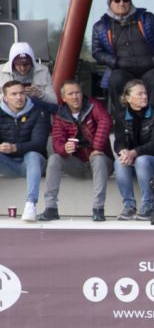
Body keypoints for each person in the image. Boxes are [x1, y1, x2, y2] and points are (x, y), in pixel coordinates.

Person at [92, 0, 154, 110]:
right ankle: (123, 119)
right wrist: (115, 62)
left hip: (150, 68)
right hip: (122, 69)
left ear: (130, 2)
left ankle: (152, 118)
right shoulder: (101, 26)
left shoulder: (147, 18)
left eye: (125, 0)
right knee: (115, 80)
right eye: (117, 0)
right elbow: (97, 52)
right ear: (109, 4)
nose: (122, 3)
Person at [44, 79, 111, 222]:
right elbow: (57, 142)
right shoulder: (60, 114)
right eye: (71, 94)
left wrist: (97, 148)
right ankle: (51, 208)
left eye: (78, 92)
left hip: (102, 163)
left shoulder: (92, 105)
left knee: (98, 158)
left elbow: (105, 120)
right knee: (54, 158)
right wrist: (64, 148)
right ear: (63, 98)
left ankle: (98, 209)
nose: (75, 97)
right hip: (78, 165)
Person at [110, 79, 154, 221]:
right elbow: (119, 141)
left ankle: (148, 205)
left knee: (142, 160)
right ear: (128, 98)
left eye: (145, 93)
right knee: (119, 162)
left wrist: (134, 152)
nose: (144, 96)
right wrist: (123, 151)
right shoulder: (121, 116)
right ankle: (129, 206)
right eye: (139, 94)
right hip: (134, 159)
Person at [0, 78, 49, 222]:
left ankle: (31, 204)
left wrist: (14, 148)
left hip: (34, 164)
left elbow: (39, 144)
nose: (19, 97)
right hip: (9, 164)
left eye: (22, 93)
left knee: (32, 155)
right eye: (14, 94)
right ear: (5, 98)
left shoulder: (39, 112)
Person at [4, 42, 56, 112]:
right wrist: (11, 94)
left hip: (36, 111)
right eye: (18, 64)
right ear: (12, 63)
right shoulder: (1, 72)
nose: (23, 68)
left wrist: (40, 94)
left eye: (26, 64)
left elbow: (54, 101)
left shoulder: (43, 70)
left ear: (32, 62)